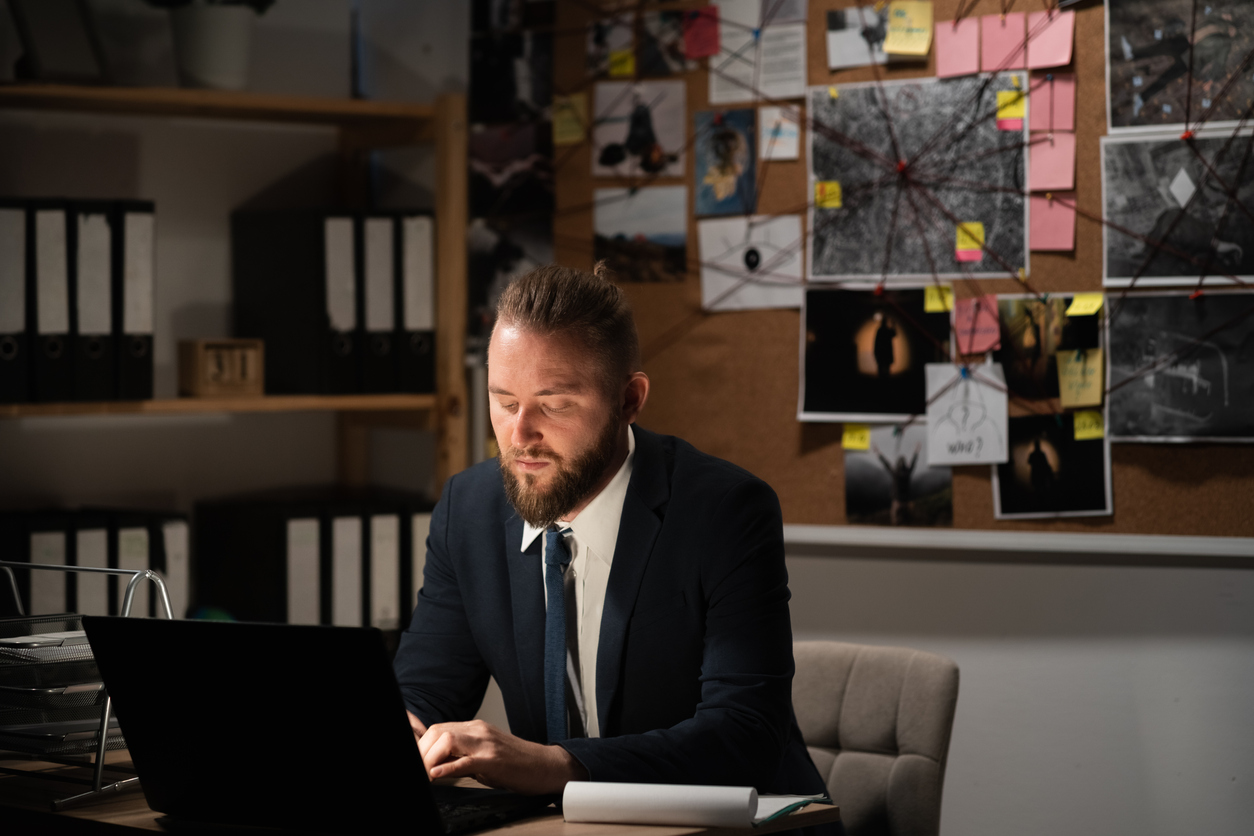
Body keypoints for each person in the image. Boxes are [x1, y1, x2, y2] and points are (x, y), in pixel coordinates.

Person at [393, 264, 831, 813]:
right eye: (505, 403)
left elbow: (744, 735)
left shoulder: (725, 511)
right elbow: (425, 689)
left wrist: (555, 766)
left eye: (554, 405)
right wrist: (403, 733)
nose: (520, 434)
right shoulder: (469, 510)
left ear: (629, 400)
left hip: (732, 825)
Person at [873, 312, 897, 378]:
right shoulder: (885, 331)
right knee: (885, 369)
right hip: (885, 353)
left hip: (881, 353)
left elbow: (876, 343)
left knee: (882, 369)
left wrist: (876, 353)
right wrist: (893, 324)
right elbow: (894, 333)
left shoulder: (880, 331)